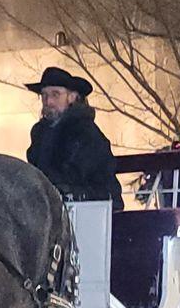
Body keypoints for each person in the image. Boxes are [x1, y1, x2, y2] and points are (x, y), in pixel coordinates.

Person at [24, 66, 123, 210]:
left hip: (92, 207)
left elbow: (78, 176)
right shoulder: (40, 132)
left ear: (72, 97)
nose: (48, 101)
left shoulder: (85, 132)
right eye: (44, 95)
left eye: (55, 94)